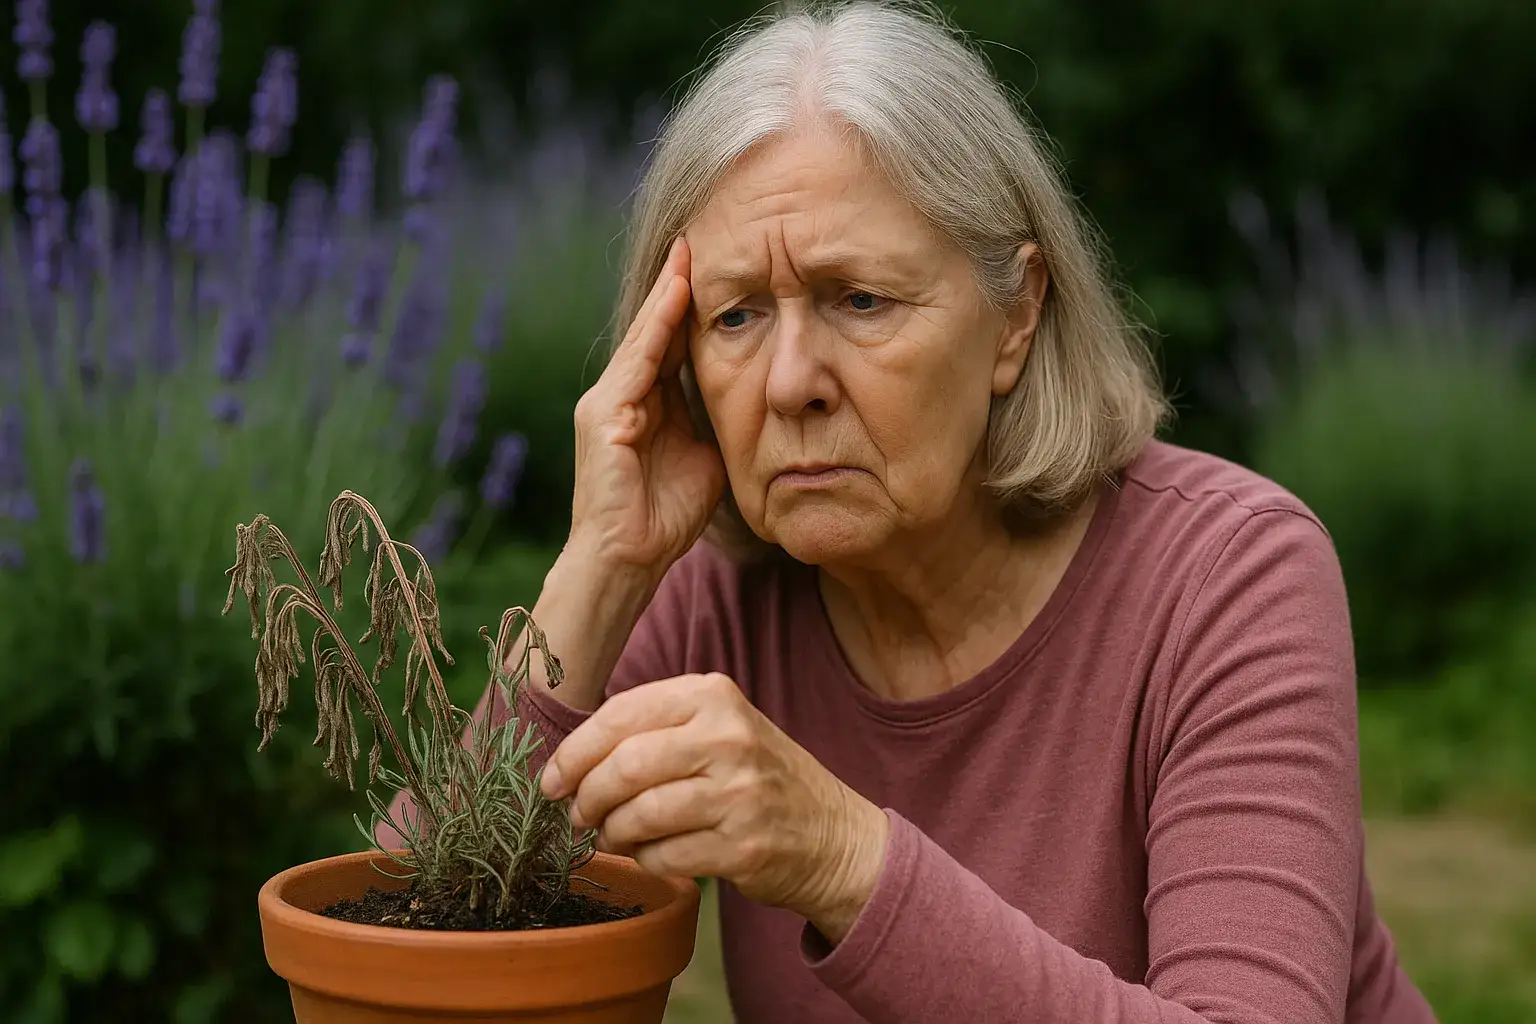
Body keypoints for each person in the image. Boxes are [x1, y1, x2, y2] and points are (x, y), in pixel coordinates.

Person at [383, 3, 1437, 1021]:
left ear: (1016, 315)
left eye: (860, 300)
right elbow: (399, 951)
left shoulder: (1229, 577)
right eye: (737, 314)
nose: (792, 380)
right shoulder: (720, 604)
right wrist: (601, 570)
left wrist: (842, 857)